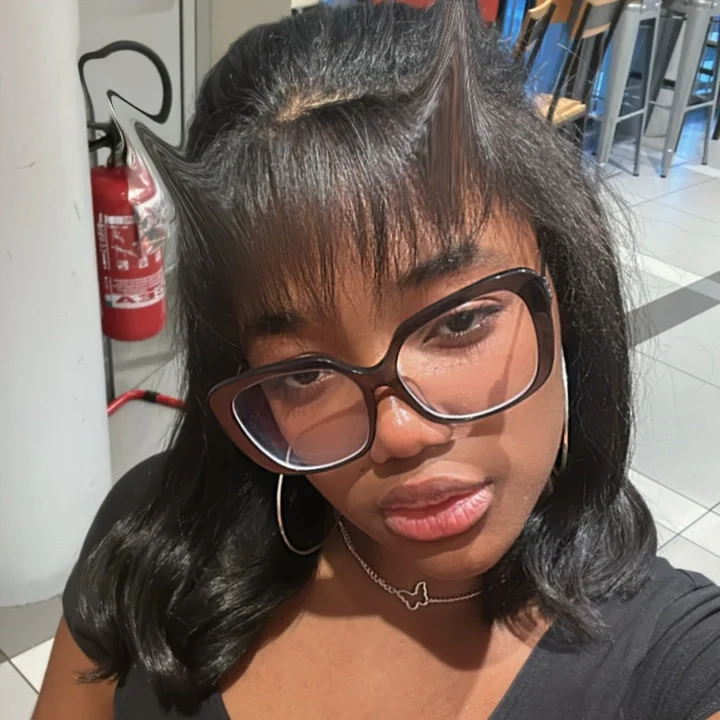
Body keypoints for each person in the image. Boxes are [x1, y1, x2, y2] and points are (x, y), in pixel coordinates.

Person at [35, 2, 720, 718]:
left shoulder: (672, 663)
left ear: (564, 294)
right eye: (304, 373)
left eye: (459, 322)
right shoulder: (156, 536)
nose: (399, 433)